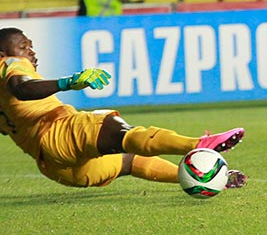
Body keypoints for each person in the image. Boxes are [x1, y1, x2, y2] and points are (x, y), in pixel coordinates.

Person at [0, 27, 246, 189]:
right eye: (23, 45)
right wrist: (68, 82)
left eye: (30, 45)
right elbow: (22, 87)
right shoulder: (10, 63)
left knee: (129, 160)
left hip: (59, 169)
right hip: (58, 133)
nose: (29, 51)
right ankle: (197, 145)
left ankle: (203, 180)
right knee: (114, 128)